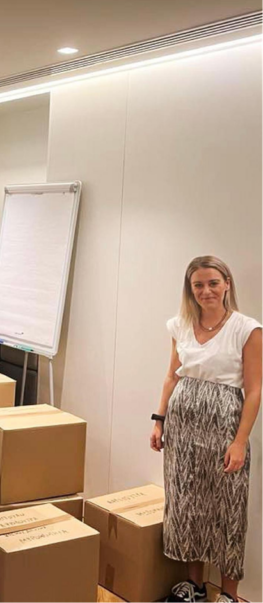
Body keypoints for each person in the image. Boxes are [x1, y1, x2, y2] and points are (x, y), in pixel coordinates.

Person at [151, 256, 262, 603]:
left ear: (227, 283)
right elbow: (171, 376)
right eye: (198, 285)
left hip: (225, 427)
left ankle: (229, 595)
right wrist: (159, 419)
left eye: (213, 282)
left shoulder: (247, 329)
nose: (206, 291)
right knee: (187, 504)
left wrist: (240, 442)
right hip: (182, 428)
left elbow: (254, 391)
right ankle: (195, 587)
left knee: (228, 509)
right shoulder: (181, 325)